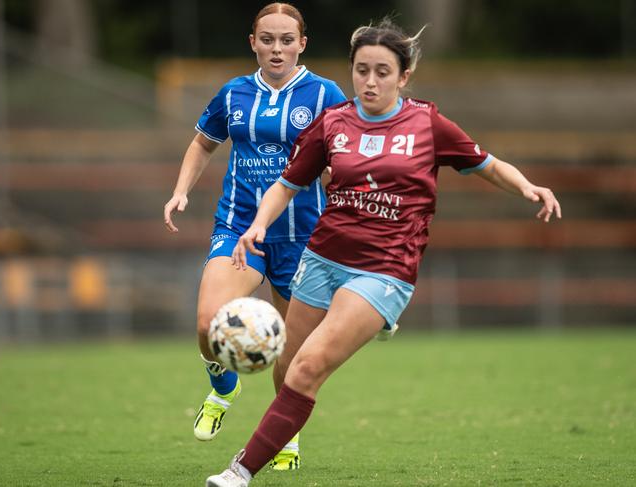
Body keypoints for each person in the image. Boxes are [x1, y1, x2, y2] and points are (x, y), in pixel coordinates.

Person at [204, 17, 562, 487]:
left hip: (384, 268)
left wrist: (527, 186)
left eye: (382, 71)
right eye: (361, 70)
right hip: (322, 259)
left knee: (309, 367)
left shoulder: (426, 123)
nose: (370, 81)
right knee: (290, 363)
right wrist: (258, 224)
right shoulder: (332, 122)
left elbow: (486, 165)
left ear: (404, 76)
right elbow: (287, 184)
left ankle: (239, 471)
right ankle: (286, 431)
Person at [163, 2, 346, 470]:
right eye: (268, 39)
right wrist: (181, 191)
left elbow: (343, 162)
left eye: (287, 40)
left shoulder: (325, 94)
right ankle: (224, 387)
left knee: (290, 357)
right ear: (253, 43)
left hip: (303, 239)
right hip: (239, 228)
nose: (277, 48)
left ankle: (285, 440)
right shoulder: (233, 94)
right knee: (208, 323)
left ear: (302, 43)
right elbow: (203, 142)